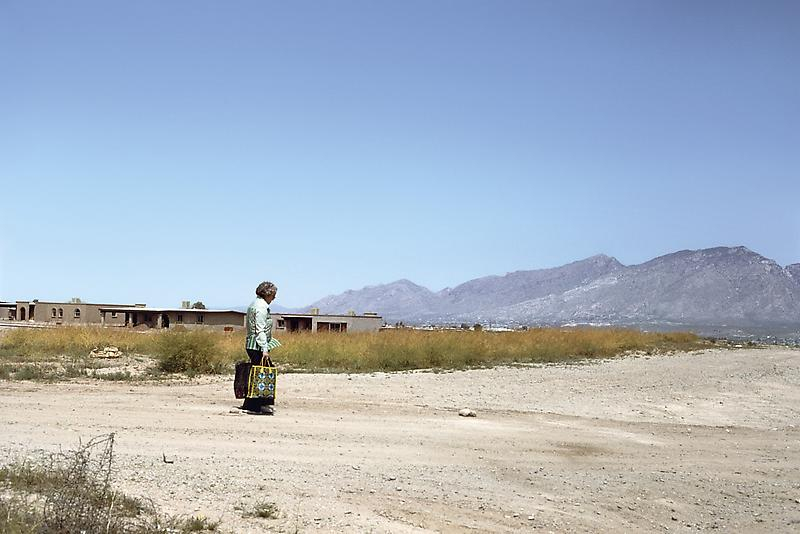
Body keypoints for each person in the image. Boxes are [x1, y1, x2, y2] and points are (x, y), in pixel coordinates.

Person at [243, 281, 278, 415]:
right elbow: (260, 330)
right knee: (261, 374)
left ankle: (256, 403)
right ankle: (255, 406)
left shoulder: (254, 304)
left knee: (258, 372)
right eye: (273, 295)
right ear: (267, 294)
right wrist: (264, 349)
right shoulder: (261, 307)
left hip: (251, 344)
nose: (274, 298)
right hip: (257, 345)